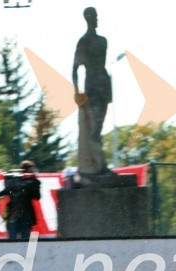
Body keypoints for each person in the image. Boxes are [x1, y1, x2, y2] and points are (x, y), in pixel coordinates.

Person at [73, 7, 112, 183]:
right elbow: (74, 68)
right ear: (87, 18)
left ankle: (99, 166)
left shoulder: (103, 41)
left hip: (103, 86)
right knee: (94, 130)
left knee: (98, 129)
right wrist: (77, 91)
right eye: (93, 16)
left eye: (96, 16)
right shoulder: (84, 41)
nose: (96, 19)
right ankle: (98, 166)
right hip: (92, 89)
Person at [0, 160, 41, 240]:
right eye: (30, 170)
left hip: (26, 217)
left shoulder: (33, 182)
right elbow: (7, 190)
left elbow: (37, 196)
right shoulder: (15, 180)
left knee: (25, 239)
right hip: (13, 215)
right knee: (12, 240)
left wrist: (32, 182)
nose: (31, 172)